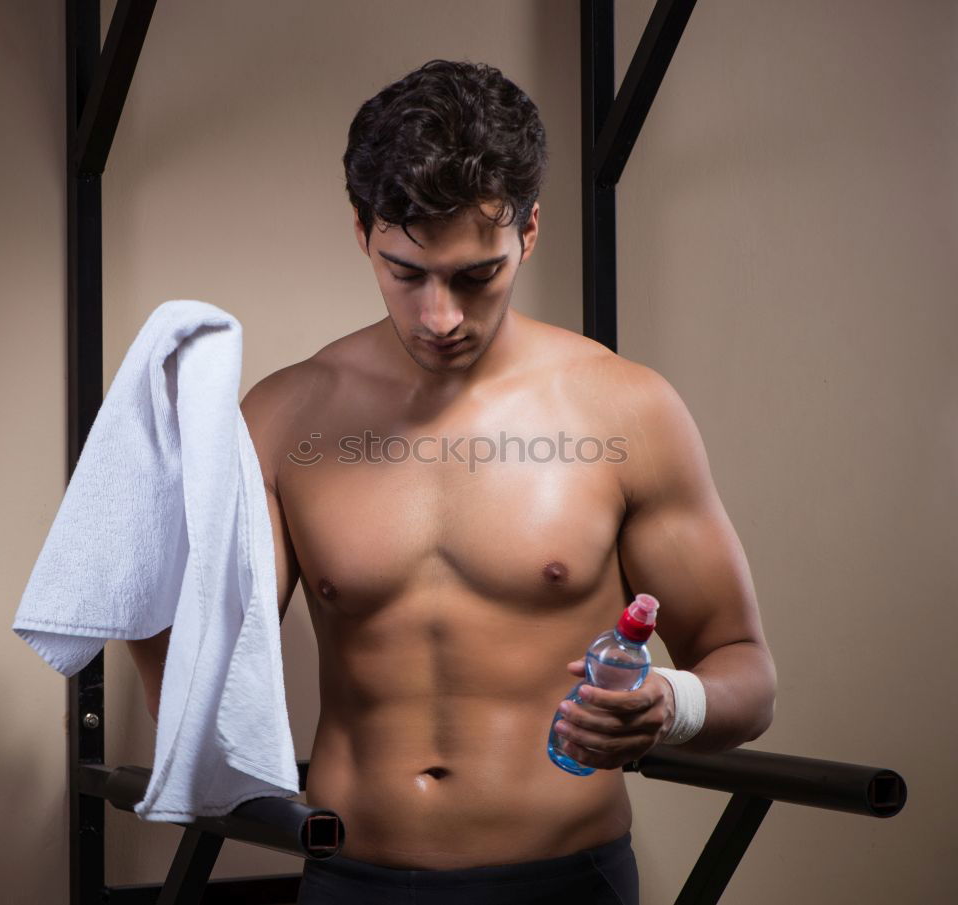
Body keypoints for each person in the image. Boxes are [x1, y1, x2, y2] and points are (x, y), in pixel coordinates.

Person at [127, 59, 776, 905]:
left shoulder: (627, 410)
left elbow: (746, 671)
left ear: (528, 233)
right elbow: (199, 677)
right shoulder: (287, 417)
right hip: (352, 876)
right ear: (362, 232)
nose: (441, 318)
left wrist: (671, 703)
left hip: (564, 879)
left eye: (478, 276)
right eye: (408, 273)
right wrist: (143, 529)